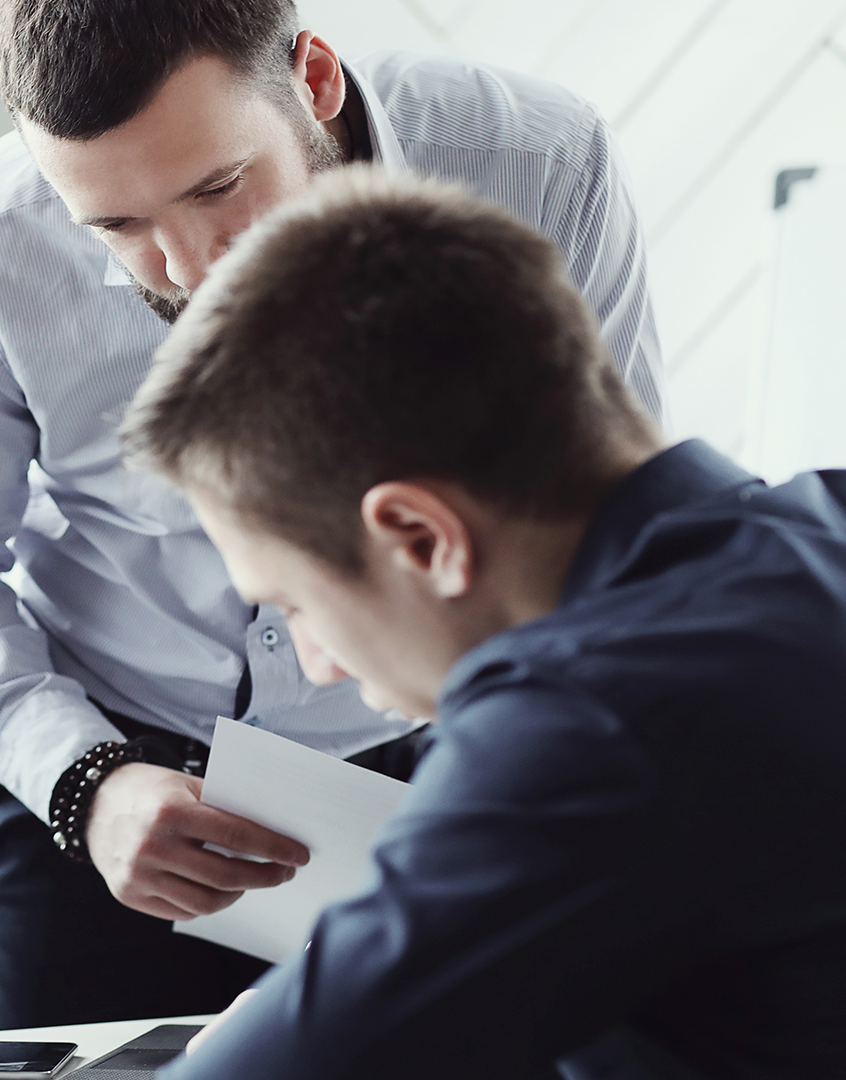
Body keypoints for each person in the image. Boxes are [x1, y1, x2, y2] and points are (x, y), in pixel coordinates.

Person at [0, 0, 668, 1027]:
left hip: (448, 768)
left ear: (313, 79)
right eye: (117, 226)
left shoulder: (542, 162)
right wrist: (83, 780)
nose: (190, 270)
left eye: (218, 186)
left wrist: (518, 776)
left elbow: (607, 519)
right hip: (100, 791)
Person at [122, 167, 846, 1079]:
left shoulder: (592, 719)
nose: (320, 664)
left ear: (420, 538)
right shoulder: (817, 533)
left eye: (298, 605)